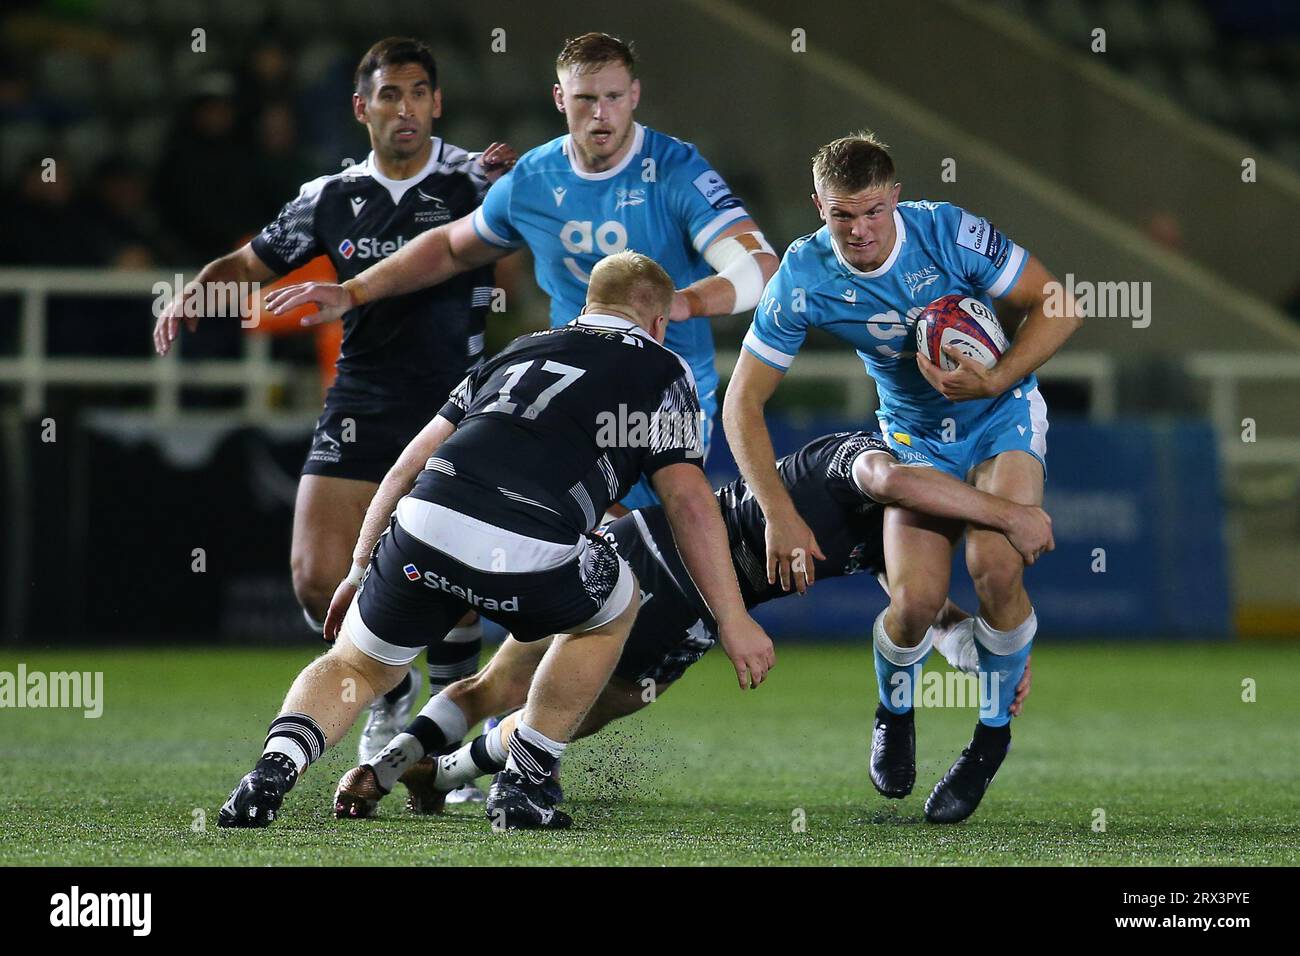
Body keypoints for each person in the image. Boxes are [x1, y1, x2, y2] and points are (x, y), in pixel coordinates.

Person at [218, 251, 774, 831]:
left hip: (425, 521)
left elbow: (411, 461)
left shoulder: (518, 351)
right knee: (616, 603)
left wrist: (361, 564)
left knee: (355, 664)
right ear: (660, 322)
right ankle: (525, 785)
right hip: (529, 544)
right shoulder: (665, 369)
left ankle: (269, 775)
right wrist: (732, 619)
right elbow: (688, 502)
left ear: (586, 308)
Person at [334, 429, 1050, 817]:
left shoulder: (896, 536)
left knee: (572, 712)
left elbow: (921, 611)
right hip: (657, 556)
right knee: (508, 687)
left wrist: (980, 659)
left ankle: (428, 772)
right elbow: (888, 478)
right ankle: (383, 764)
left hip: (699, 615)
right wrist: (1007, 513)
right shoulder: (859, 457)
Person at [152, 38, 518, 782]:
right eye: (389, 95)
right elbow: (252, 261)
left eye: (419, 93)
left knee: (454, 579)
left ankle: (442, 753)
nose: (405, 108)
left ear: (437, 103)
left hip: (456, 401)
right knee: (315, 576)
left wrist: (526, 188)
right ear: (362, 108)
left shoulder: (477, 179)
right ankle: (392, 681)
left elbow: (543, 235)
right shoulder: (330, 195)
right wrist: (201, 289)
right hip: (363, 398)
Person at [723, 132, 1082, 823]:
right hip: (913, 436)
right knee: (914, 602)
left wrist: (997, 378)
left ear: (895, 197)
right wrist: (776, 511)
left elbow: (1060, 303)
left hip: (999, 415)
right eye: (840, 217)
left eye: (871, 213)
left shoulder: (947, 231)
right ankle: (895, 713)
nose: (858, 231)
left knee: (993, 568)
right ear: (817, 207)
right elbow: (742, 402)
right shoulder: (804, 274)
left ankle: (989, 741)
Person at [265, 31, 779, 514]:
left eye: (614, 97)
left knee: (647, 545)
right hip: (570, 389)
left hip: (666, 395)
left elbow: (758, 265)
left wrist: (684, 302)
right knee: (566, 530)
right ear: (560, 99)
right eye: (585, 100)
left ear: (635, 95)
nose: (601, 115)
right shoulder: (534, 177)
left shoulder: (675, 170)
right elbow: (448, 246)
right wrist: (355, 290)